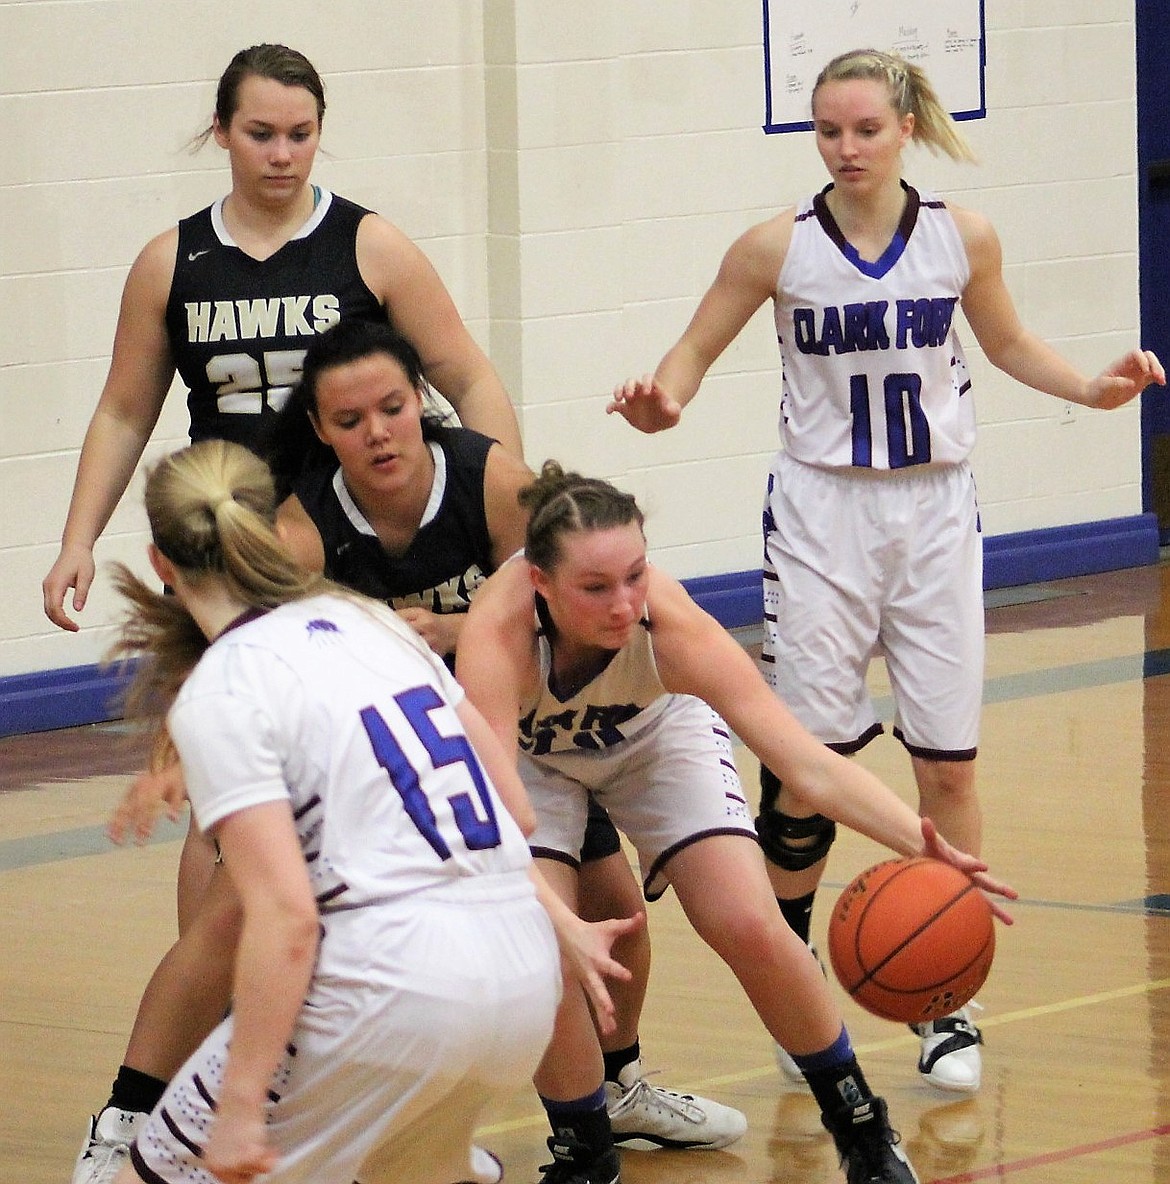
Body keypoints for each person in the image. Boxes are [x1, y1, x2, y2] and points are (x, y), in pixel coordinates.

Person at [607, 46, 1165, 1094]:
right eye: (828, 130)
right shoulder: (774, 247)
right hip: (822, 515)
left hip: (935, 514)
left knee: (948, 764)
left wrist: (1092, 390)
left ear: (906, 125)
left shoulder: (963, 236)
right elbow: (688, 359)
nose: (847, 146)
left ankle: (951, 1002)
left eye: (865, 128)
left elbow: (1008, 345)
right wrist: (661, 401)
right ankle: (794, 980)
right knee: (805, 770)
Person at [52, 42, 517, 1184]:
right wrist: (73, 536)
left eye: (301, 133)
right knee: (229, 832)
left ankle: (403, 1110)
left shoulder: (369, 243)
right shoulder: (175, 260)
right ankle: (160, 1092)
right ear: (222, 132)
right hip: (232, 559)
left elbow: (467, 370)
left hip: (339, 553)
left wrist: (499, 491)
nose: (282, 152)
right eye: (261, 132)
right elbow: (124, 407)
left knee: (353, 818)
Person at [456, 461, 1016, 1184]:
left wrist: (925, 842)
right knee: (547, 953)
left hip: (653, 740)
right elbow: (497, 822)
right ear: (539, 582)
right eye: (596, 588)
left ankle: (863, 1132)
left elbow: (806, 766)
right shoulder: (496, 636)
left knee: (749, 921)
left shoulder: (671, 627)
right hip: (533, 768)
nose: (624, 603)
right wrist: (557, 927)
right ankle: (585, 1156)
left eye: (635, 575)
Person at [100, 438, 637, 1184]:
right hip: (520, 978)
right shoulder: (372, 625)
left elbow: (287, 918)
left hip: (387, 987)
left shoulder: (224, 685)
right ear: (275, 528)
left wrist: (241, 1103)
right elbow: (511, 811)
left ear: (163, 565)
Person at [270, 317, 746, 1151]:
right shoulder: (304, 530)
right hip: (392, 757)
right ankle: (432, 1129)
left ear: (421, 399)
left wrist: (454, 632)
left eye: (391, 407)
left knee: (614, 911)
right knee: (470, 947)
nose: (377, 433)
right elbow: (283, 665)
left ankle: (617, 1084)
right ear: (320, 430)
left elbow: (547, 588)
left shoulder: (485, 476)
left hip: (521, 728)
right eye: (350, 422)